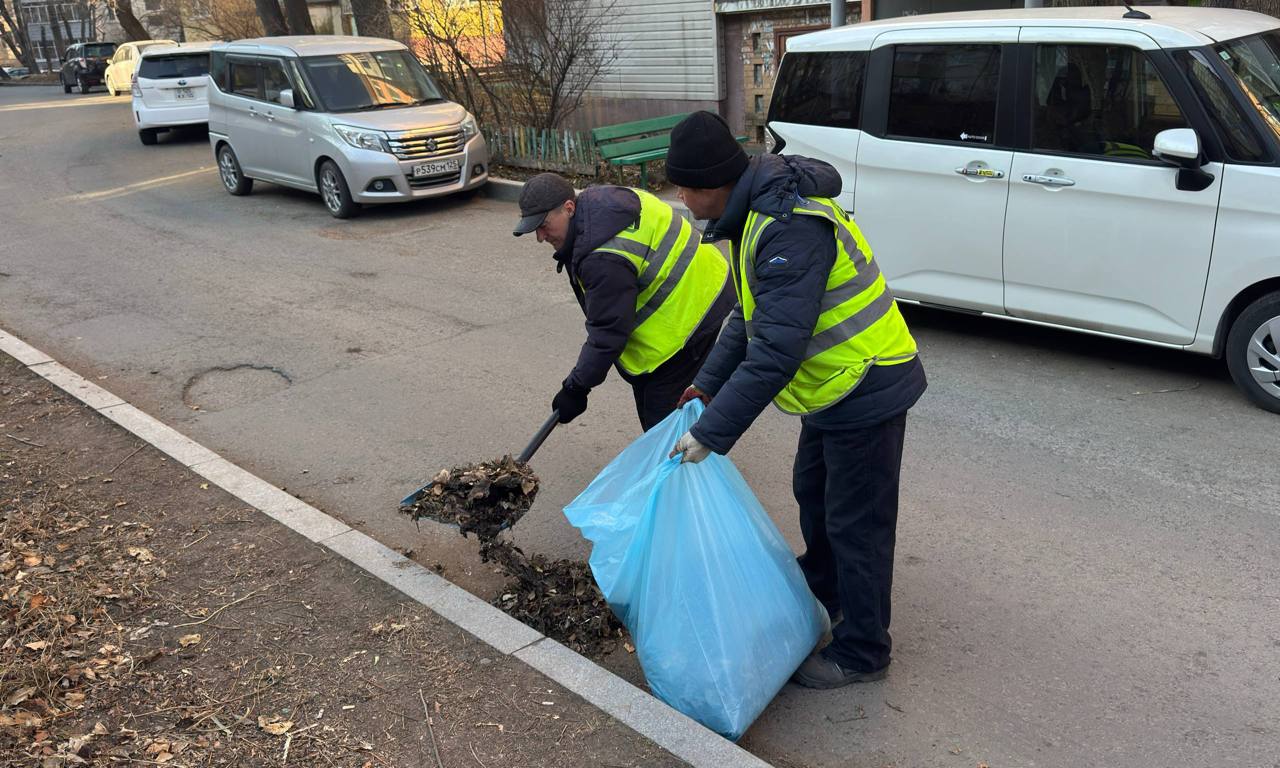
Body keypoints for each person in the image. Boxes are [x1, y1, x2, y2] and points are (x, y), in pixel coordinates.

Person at [664, 112, 928, 689]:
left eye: (683, 187)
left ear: (711, 184)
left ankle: (863, 651)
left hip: (867, 382)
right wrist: (706, 384)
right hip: (833, 388)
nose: (680, 198)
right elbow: (749, 315)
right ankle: (826, 588)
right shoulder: (752, 216)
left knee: (857, 523)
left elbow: (776, 352)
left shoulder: (787, 228)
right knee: (813, 492)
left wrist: (711, 433)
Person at [513, 173, 734, 431]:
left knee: (663, 423)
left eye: (543, 225)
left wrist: (575, 388)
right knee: (659, 410)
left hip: (695, 308)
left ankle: (688, 452)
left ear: (569, 208)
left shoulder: (602, 257)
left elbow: (608, 331)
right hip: (703, 280)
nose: (540, 237)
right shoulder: (598, 204)